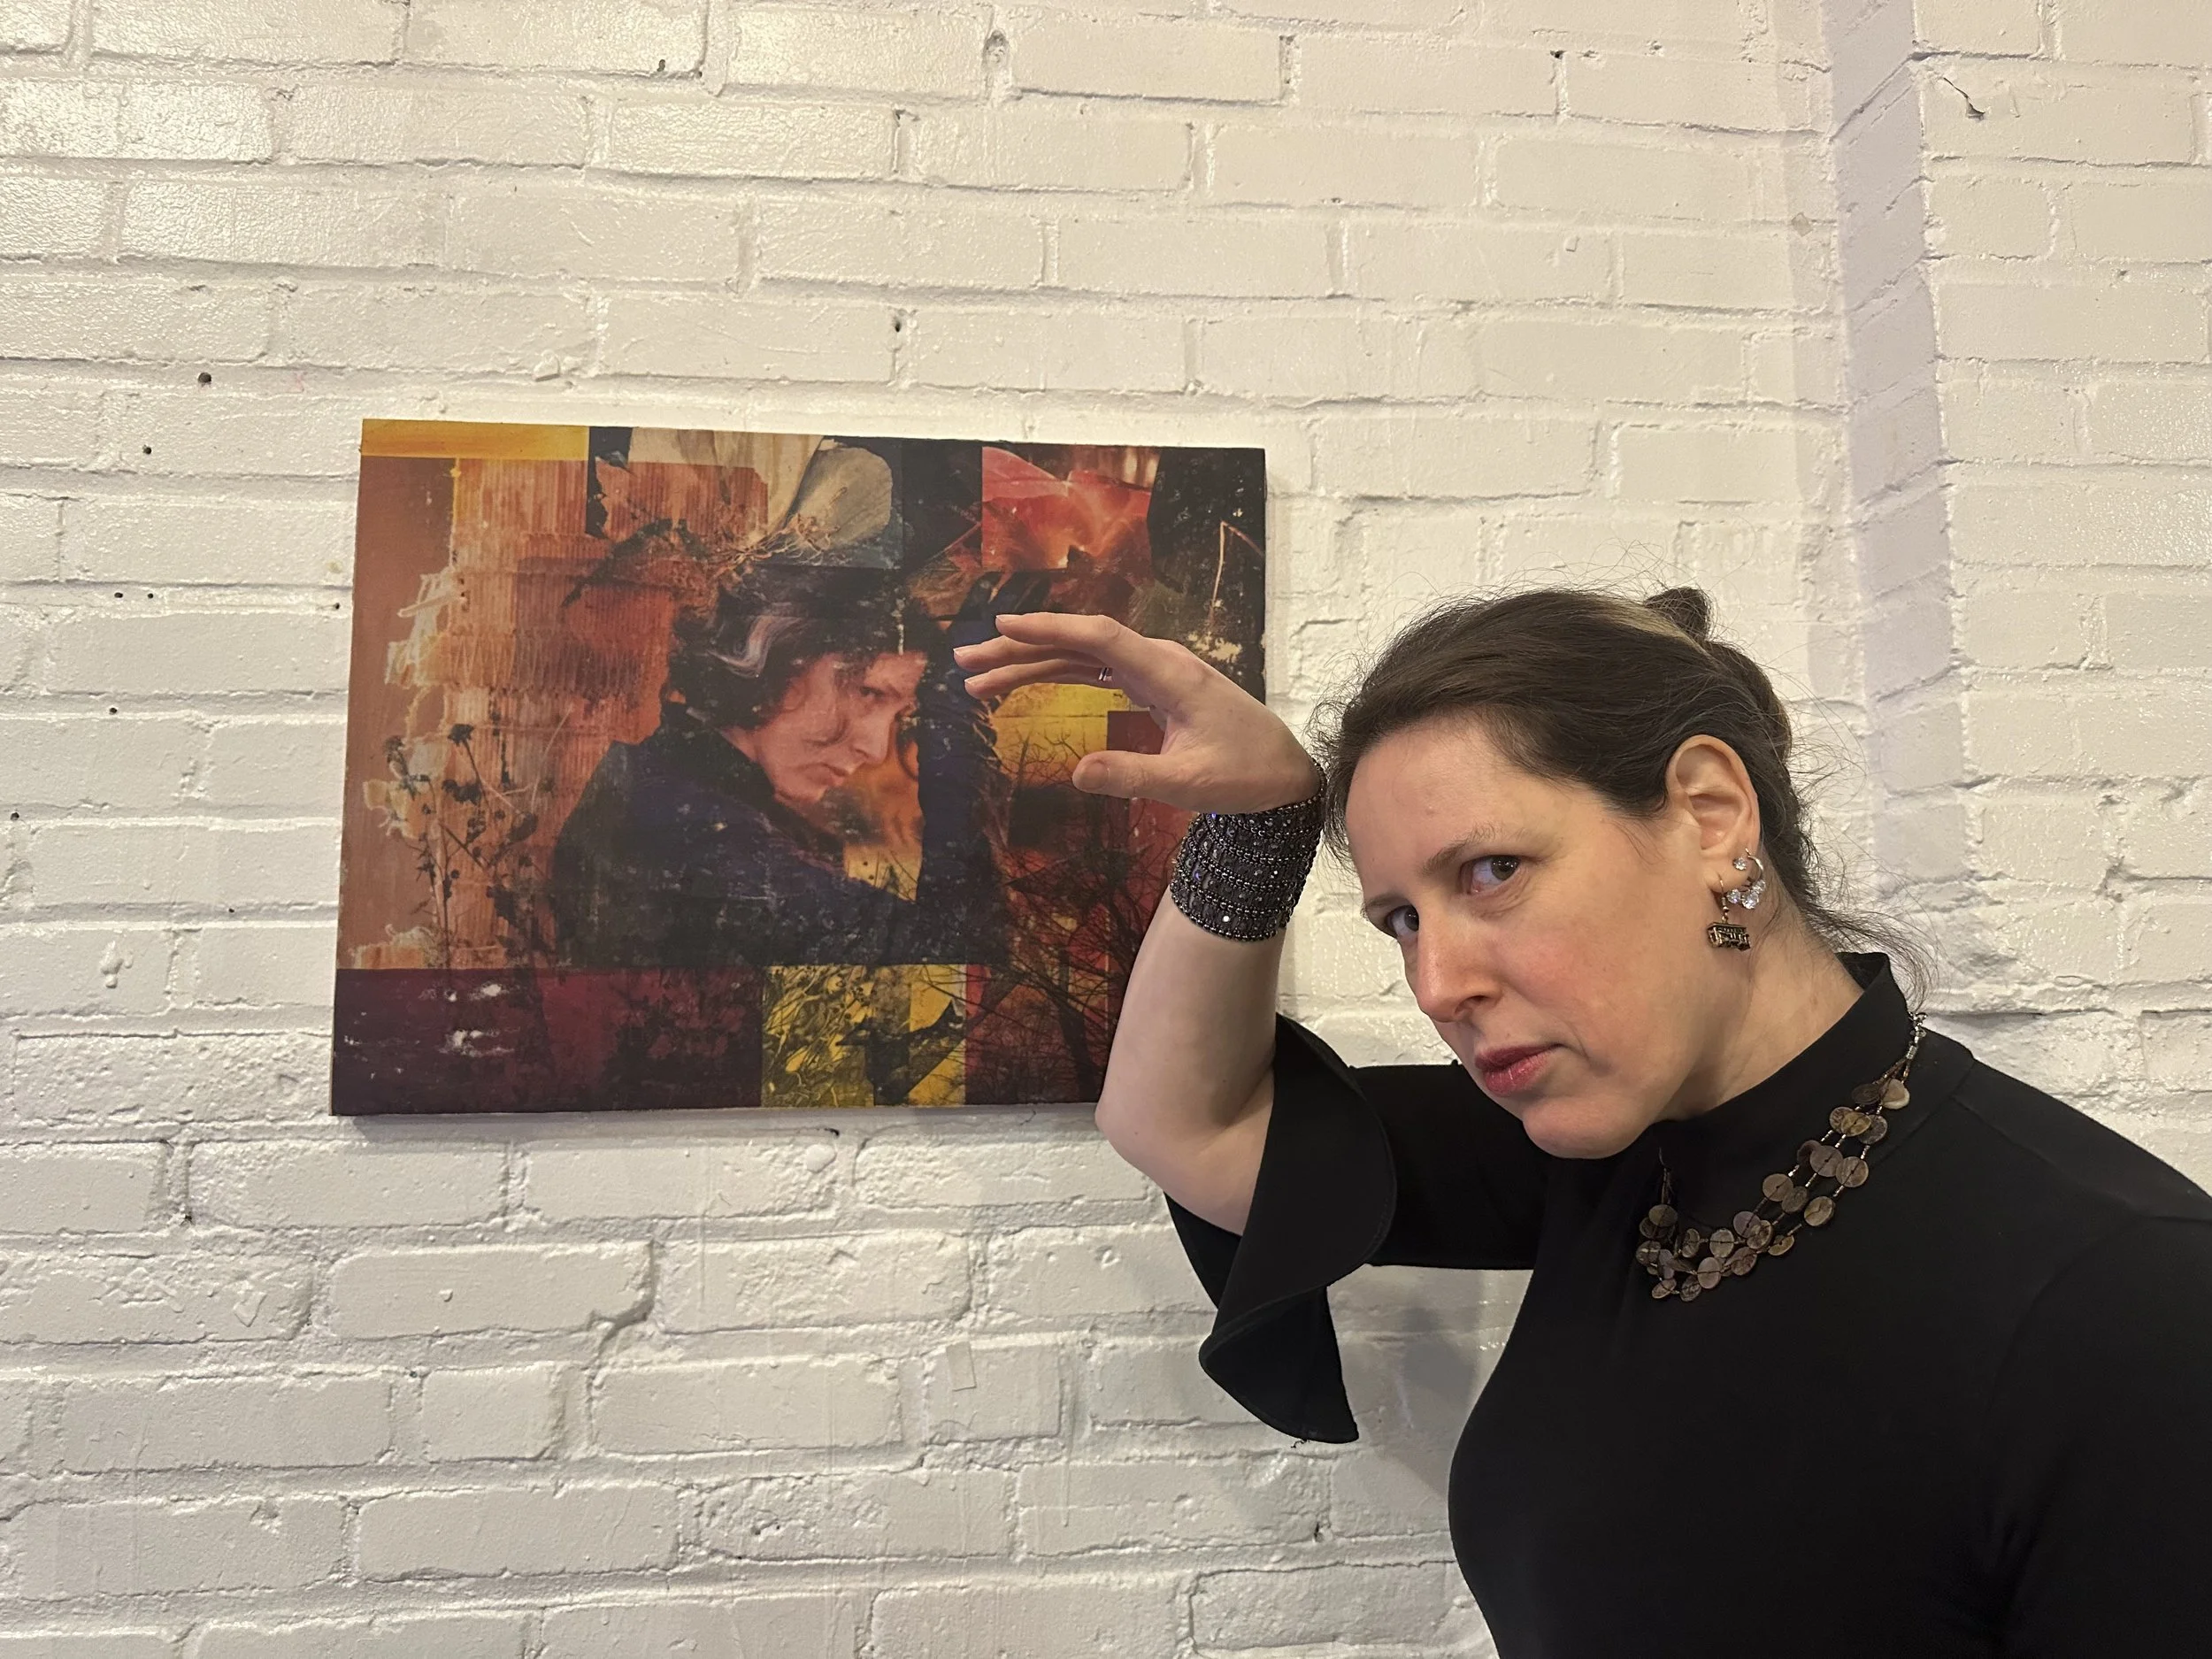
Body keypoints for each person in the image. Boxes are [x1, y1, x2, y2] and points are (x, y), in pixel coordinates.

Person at [955, 587, 2212, 1657]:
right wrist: (1261, 824)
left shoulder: (2123, 1303)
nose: (1437, 983)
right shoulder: (1605, 1149)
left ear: (1711, 813)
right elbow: (1184, 1120)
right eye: (1402, 919)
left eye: (1491, 871)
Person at [552, 561, 1025, 969]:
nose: (876, 749)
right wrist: (957, 724)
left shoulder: (665, 792)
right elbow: (961, 967)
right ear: (778, 657)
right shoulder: (691, 837)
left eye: (900, 716)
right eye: (868, 692)